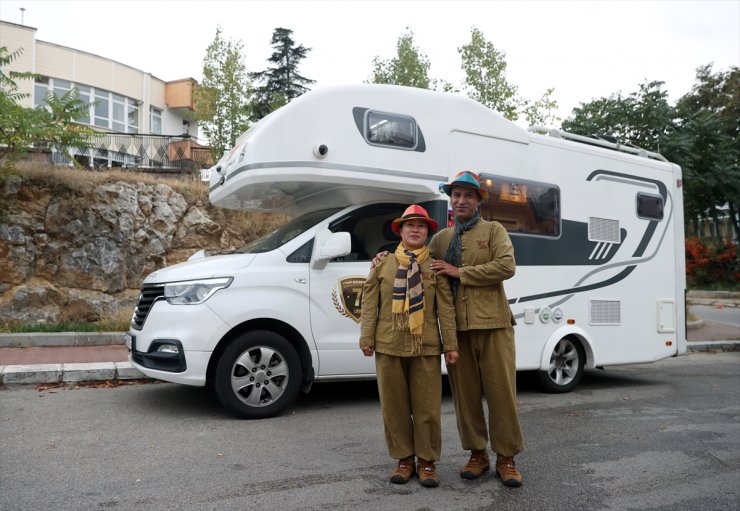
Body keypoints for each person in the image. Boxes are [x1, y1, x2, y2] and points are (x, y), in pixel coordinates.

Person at [372, 171, 525, 487]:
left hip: (493, 324)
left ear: (478, 199)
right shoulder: (440, 239)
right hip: (457, 331)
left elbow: (507, 266)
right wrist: (383, 257)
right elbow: (415, 258)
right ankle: (477, 455)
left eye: (468, 195)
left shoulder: (493, 231)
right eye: (456, 195)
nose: (461, 200)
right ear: (450, 200)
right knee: (465, 398)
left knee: (501, 395)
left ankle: (506, 458)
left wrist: (461, 271)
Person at [359, 204, 459, 488]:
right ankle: (404, 459)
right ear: (400, 231)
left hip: (425, 346)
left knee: (427, 408)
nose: (415, 229)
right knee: (394, 407)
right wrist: (367, 338)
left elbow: (446, 310)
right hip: (389, 344)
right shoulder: (383, 264)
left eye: (421, 226)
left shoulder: (435, 267)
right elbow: (370, 303)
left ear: (427, 232)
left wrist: (450, 344)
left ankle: (427, 462)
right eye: (409, 225)